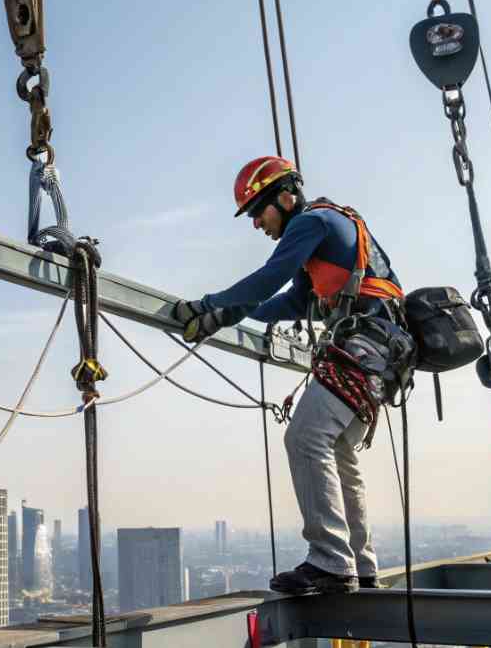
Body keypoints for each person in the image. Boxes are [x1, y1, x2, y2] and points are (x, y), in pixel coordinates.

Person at [174, 156, 410, 594]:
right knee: (339, 450)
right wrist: (225, 316)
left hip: (367, 346)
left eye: (257, 211)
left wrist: (208, 306)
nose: (256, 224)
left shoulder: (311, 222)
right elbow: (292, 303)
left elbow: (268, 279)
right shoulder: (324, 235)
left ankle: (331, 562)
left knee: (304, 438)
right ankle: (359, 566)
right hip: (382, 352)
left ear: (285, 197)